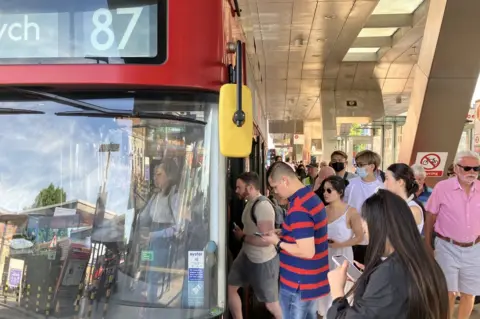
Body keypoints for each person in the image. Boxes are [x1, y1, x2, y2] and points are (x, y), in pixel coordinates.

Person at [327, 189, 449, 319]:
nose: (363, 226)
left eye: (365, 219)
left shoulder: (390, 272)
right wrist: (369, 279)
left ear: (379, 224)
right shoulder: (421, 259)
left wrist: (337, 293)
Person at [263, 162, 329, 319]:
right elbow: (306, 233)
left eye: (275, 187)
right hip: (309, 280)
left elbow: (307, 251)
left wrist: (277, 242)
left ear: (285, 180)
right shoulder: (310, 198)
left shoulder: (299, 207)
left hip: (298, 282)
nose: (275, 192)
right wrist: (283, 232)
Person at [424, 150, 480, 319]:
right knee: (448, 292)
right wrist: (427, 244)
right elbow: (430, 216)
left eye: (476, 169)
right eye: (467, 168)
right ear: (456, 168)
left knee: (469, 293)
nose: (472, 173)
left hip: (474, 248)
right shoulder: (443, 188)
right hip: (447, 247)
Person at [228, 172, 282, 319]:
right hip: (247, 254)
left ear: (250, 187)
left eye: (239, 187)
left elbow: (266, 241)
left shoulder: (262, 206)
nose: (236, 190)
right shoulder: (250, 203)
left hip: (263, 261)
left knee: (271, 304)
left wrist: (243, 237)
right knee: (231, 288)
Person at [316, 176, 364, 317]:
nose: (325, 193)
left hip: (343, 257)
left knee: (341, 291)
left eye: (329, 190)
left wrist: (340, 244)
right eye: (324, 190)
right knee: (324, 294)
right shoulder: (321, 211)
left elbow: (359, 237)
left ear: (340, 192)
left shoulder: (351, 212)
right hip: (323, 257)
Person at [344, 150, 384, 264]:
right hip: (351, 237)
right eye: (357, 165)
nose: (358, 168)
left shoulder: (381, 189)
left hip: (372, 239)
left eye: (361, 165)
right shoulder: (350, 184)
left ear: (372, 166)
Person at [385, 163, 424, 233]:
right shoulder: (393, 204)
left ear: (400, 182)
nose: (384, 183)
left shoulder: (412, 210)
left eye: (387, 179)